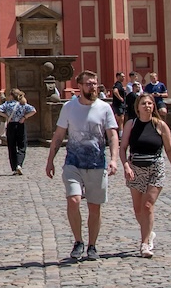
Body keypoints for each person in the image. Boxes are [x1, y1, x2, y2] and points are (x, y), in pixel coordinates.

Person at [44, 70, 120, 262]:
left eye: (94, 83)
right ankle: (78, 241)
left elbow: (112, 136)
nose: (92, 87)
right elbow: (59, 135)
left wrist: (114, 159)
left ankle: (92, 245)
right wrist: (50, 159)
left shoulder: (104, 108)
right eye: (88, 84)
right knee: (74, 200)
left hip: (96, 163)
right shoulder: (69, 107)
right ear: (80, 86)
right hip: (73, 162)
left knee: (94, 208)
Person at [120, 93, 171, 257]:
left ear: (153, 106)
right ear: (137, 107)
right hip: (135, 168)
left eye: (149, 103)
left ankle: (145, 243)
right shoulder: (131, 125)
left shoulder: (160, 125)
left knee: (147, 206)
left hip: (155, 168)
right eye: (143, 104)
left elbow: (169, 149)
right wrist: (126, 165)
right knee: (138, 209)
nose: (147, 106)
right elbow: (122, 148)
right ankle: (149, 231)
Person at [0, 88, 36, 175]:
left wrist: (6, 115)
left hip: (11, 126)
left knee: (12, 146)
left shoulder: (7, 104)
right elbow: (33, 110)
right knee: (22, 146)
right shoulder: (22, 104)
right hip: (20, 125)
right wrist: (24, 117)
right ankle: (19, 165)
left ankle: (14, 167)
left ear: (11, 96)